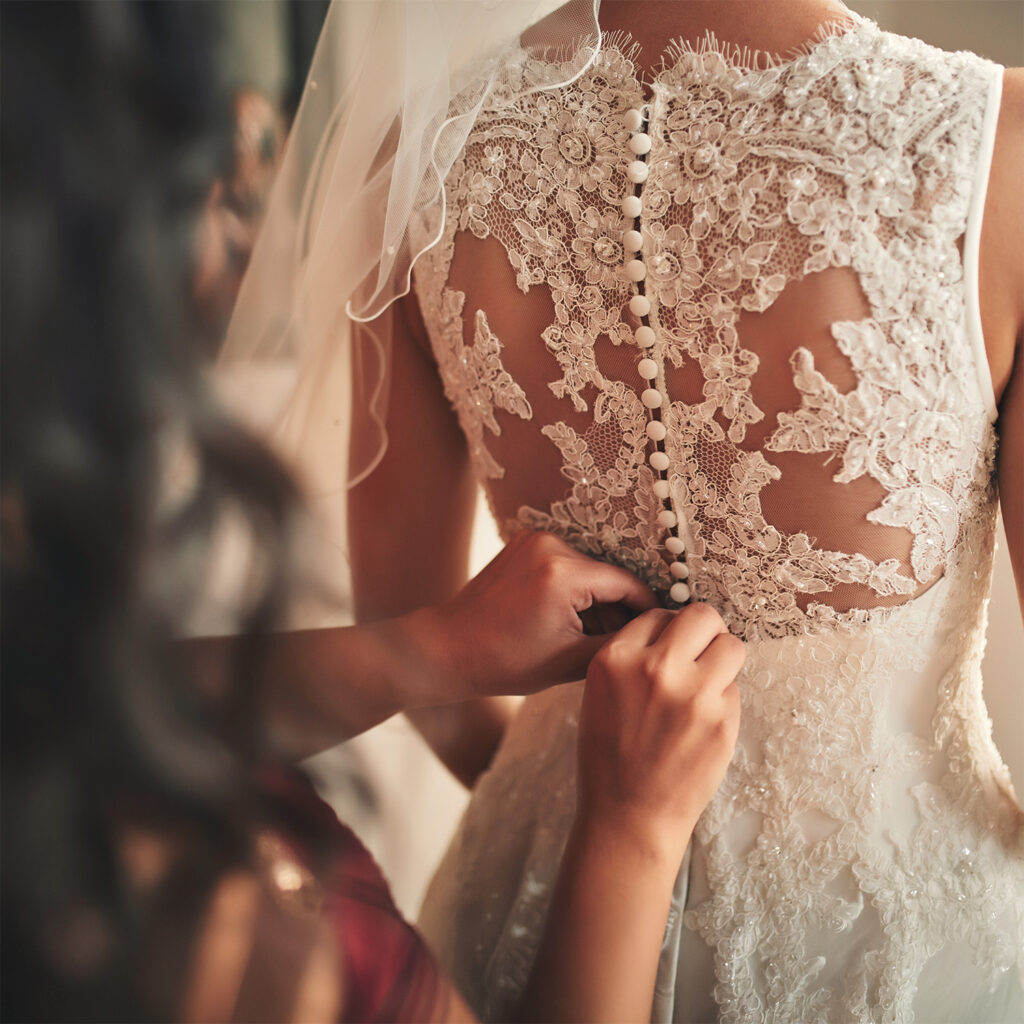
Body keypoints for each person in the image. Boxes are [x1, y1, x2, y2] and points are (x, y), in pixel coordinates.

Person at [225, 0, 1024, 1019]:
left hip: (524, 918)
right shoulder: (994, 146)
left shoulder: (419, 159)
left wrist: (543, 791)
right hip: (905, 961)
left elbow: (420, 639)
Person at [1, 2, 747, 1021]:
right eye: (211, 204)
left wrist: (429, 648)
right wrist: (626, 836)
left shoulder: (49, 700)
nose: (241, 241)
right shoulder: (220, 939)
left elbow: (110, 702)